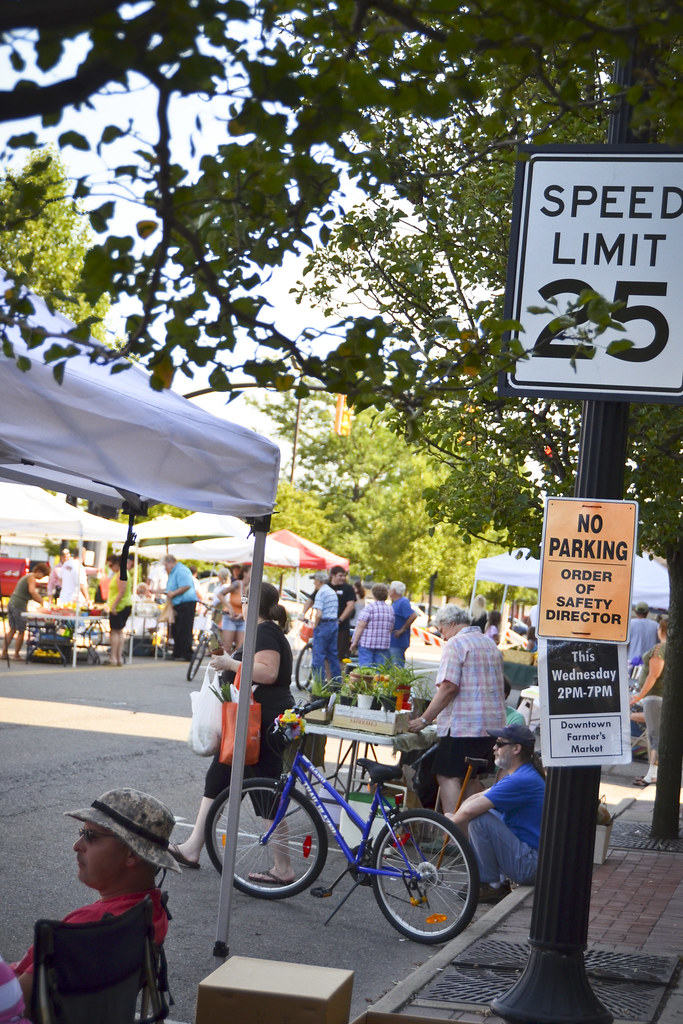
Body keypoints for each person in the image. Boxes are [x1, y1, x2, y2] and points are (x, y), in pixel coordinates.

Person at [10, 788, 178, 1007]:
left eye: (91, 836)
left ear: (133, 854)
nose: (77, 845)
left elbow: (13, 1004)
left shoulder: (87, 930)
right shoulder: (150, 911)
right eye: (81, 832)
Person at [169, 583, 294, 876]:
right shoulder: (263, 630)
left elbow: (268, 671)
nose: (240, 601)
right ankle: (192, 847)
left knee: (264, 790)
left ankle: (284, 867)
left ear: (252, 602)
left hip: (259, 723)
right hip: (247, 719)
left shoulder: (264, 631)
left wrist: (229, 663)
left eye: (245, 598)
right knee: (219, 779)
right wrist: (229, 662)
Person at [407, 605, 506, 814]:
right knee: (470, 779)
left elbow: (449, 687)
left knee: (447, 775)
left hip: (464, 726)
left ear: (452, 624)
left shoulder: (456, 644)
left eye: (442, 631)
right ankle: (478, 833)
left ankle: (452, 834)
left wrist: (424, 719)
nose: (442, 637)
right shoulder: (489, 643)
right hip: (492, 725)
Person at [447, 723, 545, 903]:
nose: (494, 748)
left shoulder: (521, 779)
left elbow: (471, 810)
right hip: (532, 859)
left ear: (516, 749)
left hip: (531, 866)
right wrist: (453, 820)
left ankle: (492, 885)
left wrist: (448, 826)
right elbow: (477, 797)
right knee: (485, 811)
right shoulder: (520, 773)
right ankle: (496, 879)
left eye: (500, 744)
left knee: (480, 819)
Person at [629, 616, 667, 788]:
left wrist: (638, 696)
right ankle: (653, 773)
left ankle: (652, 775)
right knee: (656, 735)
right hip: (661, 697)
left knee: (654, 736)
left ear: (661, 630)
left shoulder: (660, 648)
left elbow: (653, 675)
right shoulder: (672, 649)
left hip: (654, 697)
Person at [2, 562, 49, 660]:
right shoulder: (31, 578)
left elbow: (30, 594)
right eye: (43, 575)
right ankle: (16, 654)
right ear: (39, 571)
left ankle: (4, 652)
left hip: (12, 602)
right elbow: (32, 591)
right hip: (19, 605)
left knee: (12, 629)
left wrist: (39, 601)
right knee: (21, 630)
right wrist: (42, 602)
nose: (42, 578)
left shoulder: (27, 576)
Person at [351, 582, 395, 667]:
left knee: (366, 669)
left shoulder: (369, 608)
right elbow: (391, 627)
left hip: (367, 643)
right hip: (383, 644)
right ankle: (378, 680)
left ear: (374, 594)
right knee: (380, 669)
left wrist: (355, 642)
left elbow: (361, 625)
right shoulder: (390, 609)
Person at [309, 570, 342, 686]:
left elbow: (318, 614)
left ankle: (319, 685)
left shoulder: (321, 593)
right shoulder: (331, 591)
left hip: (324, 625)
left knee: (318, 656)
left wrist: (315, 626)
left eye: (314, 580)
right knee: (332, 655)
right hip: (333, 624)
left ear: (319, 581)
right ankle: (337, 683)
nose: (314, 583)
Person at [163, 555, 198, 661]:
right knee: (176, 628)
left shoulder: (181, 570)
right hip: (179, 603)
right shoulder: (174, 572)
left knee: (184, 628)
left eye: (165, 565)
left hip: (186, 602)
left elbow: (186, 585)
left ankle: (186, 653)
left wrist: (173, 593)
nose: (165, 568)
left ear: (171, 562)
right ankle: (177, 652)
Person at [106, 555, 134, 666]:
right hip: (124, 605)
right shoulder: (123, 573)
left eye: (111, 565)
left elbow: (121, 591)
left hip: (119, 606)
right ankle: (118, 658)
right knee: (119, 631)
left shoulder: (121, 574)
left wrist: (113, 606)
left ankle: (114, 657)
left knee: (115, 632)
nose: (110, 568)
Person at [388, 581, 418, 665]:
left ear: (394, 590)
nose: (388, 591)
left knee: (396, 665)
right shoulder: (396, 602)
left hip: (398, 641)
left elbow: (413, 615)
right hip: (393, 640)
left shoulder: (403, 601)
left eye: (390, 589)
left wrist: (402, 629)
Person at [329, 566, 355, 660]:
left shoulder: (347, 588)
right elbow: (311, 599)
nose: (343, 578)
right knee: (326, 656)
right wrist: (303, 612)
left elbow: (350, 606)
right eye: (340, 576)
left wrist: (340, 620)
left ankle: (338, 674)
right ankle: (327, 675)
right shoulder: (326, 587)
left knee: (339, 656)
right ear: (333, 575)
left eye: (344, 576)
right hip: (327, 625)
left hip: (342, 628)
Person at [220, 565, 246, 653]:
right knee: (227, 647)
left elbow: (244, 603)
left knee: (240, 648)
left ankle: (234, 665)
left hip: (242, 619)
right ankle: (224, 665)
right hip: (230, 618)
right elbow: (220, 595)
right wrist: (229, 607)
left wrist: (243, 614)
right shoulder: (237, 584)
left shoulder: (249, 588)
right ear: (245, 573)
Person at [627, 602, 659, 669]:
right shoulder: (656, 625)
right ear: (647, 612)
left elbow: (626, 644)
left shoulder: (630, 624)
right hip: (649, 663)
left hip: (632, 662)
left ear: (635, 611)